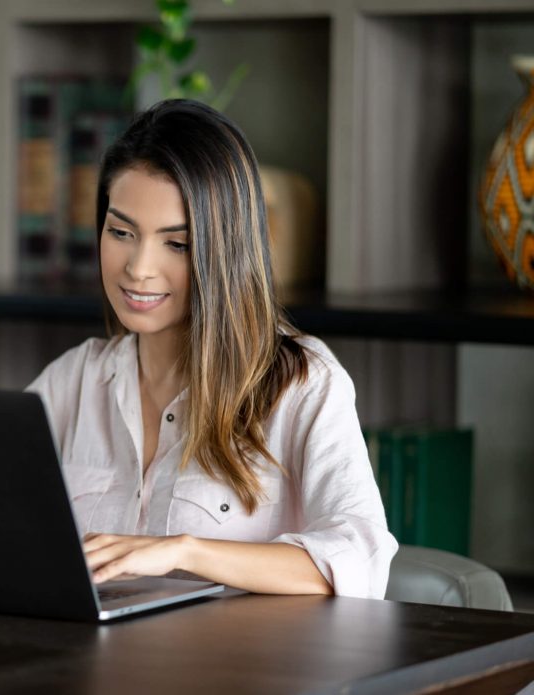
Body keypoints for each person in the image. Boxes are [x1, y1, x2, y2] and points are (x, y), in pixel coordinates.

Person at [26, 99, 397, 599]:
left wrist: (185, 550)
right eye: (121, 232)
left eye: (176, 244)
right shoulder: (73, 380)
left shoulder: (301, 382)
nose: (138, 267)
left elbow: (360, 559)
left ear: (224, 250)